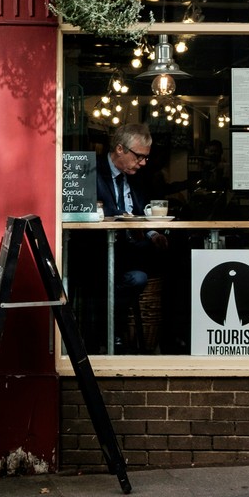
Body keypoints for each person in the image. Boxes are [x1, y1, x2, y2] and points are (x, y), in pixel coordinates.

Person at [94, 123, 169, 350]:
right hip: (97, 251)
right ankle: (108, 331)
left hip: (130, 250)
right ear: (120, 149)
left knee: (174, 259)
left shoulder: (136, 176)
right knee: (136, 278)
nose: (143, 163)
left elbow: (140, 212)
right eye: (139, 156)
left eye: (146, 157)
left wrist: (153, 233)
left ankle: (169, 338)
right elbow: (97, 211)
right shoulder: (92, 171)